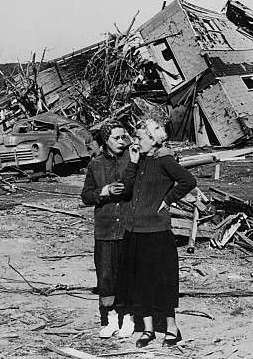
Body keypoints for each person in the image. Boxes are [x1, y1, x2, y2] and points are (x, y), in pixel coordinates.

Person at [117, 119, 196, 348]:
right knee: (139, 283)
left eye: (140, 138)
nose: (135, 141)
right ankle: (148, 330)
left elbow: (188, 181)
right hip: (135, 231)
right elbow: (126, 188)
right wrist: (132, 163)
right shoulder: (138, 160)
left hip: (157, 232)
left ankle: (172, 329)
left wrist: (167, 200)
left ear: (153, 140)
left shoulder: (164, 159)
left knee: (162, 282)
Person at [80, 121, 135, 338]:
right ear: (105, 140)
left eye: (124, 137)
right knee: (106, 276)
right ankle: (111, 319)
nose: (121, 142)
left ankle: (129, 319)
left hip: (129, 227)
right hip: (105, 228)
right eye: (116, 138)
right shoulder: (95, 165)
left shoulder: (133, 161)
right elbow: (86, 196)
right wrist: (103, 191)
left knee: (129, 275)